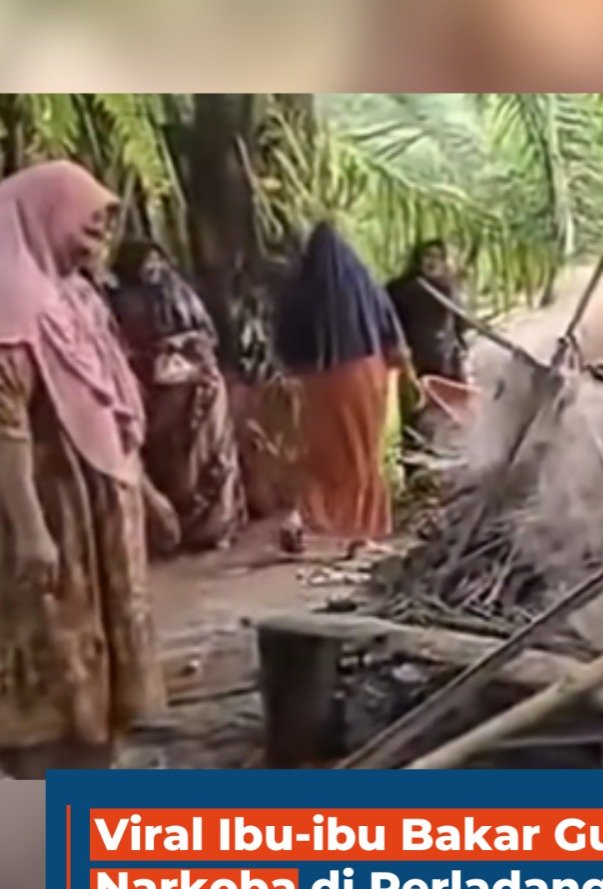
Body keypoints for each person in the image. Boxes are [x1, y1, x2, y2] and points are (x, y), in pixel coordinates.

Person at [0, 160, 167, 779]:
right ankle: (42, 790)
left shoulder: (73, 296)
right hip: (51, 507)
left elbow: (108, 403)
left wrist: (143, 490)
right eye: (88, 226)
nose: (97, 242)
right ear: (45, 215)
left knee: (102, 652)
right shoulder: (10, 302)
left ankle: (94, 770)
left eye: (104, 230)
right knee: (56, 646)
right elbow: (6, 427)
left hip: (100, 506)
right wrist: (31, 528)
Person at [272, 221, 416, 554]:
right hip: (363, 378)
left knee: (320, 457)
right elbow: (391, 333)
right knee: (362, 455)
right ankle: (360, 532)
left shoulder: (299, 290)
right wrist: (404, 372)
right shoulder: (364, 284)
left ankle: (302, 519)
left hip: (315, 384)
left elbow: (283, 343)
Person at [110, 239, 247, 553]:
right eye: (147, 265)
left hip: (190, 391)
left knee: (206, 459)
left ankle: (209, 528)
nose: (154, 272)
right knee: (188, 463)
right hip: (175, 394)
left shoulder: (153, 297)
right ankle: (196, 530)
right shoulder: (130, 300)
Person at [386, 239, 468, 384]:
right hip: (415, 364)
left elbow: (459, 325)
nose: (432, 261)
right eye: (428, 256)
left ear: (444, 261)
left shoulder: (451, 288)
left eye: (437, 257)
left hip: (447, 365)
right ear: (419, 260)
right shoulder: (402, 289)